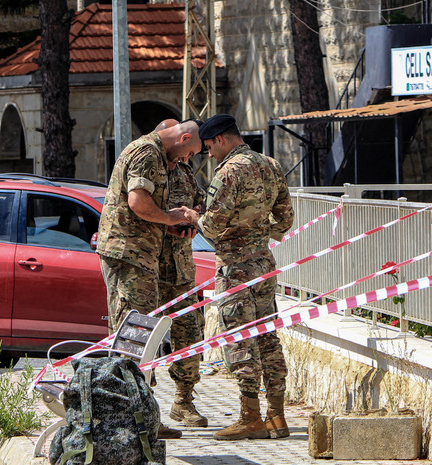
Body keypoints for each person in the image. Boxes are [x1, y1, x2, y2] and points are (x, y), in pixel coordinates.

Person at [184, 114, 294, 441]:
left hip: (235, 267)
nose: (208, 155)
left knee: (240, 338)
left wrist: (194, 217)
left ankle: (251, 417)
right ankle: (277, 415)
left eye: (208, 148)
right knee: (268, 337)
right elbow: (285, 220)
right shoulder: (271, 164)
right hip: (263, 262)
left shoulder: (229, 171)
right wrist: (258, 234)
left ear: (219, 139)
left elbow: (213, 225)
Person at [97, 119, 203, 439]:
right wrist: (170, 217)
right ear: (182, 138)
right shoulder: (147, 152)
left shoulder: (167, 159)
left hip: (147, 258)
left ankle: (144, 415)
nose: (188, 159)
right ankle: (134, 419)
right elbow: (138, 202)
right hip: (131, 254)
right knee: (133, 337)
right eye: (191, 151)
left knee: (141, 335)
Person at [154, 119, 209, 428]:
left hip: (182, 268)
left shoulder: (185, 171)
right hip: (150, 266)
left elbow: (198, 200)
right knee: (144, 337)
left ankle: (183, 401)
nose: (187, 157)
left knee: (189, 333)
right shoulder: (148, 164)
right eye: (185, 151)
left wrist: (196, 214)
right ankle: (144, 406)